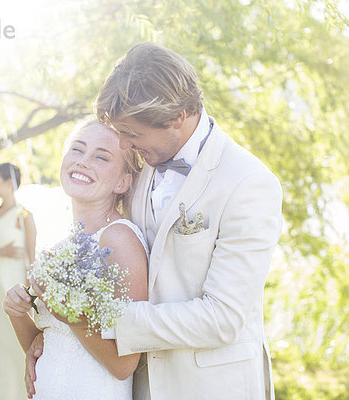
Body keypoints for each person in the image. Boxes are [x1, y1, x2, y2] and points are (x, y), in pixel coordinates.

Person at [27, 42, 283, 400]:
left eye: (132, 134)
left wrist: (87, 322)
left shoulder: (248, 183)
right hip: (137, 385)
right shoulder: (142, 168)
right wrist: (58, 334)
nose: (126, 145)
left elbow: (222, 318)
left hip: (212, 388)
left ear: (177, 117)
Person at [3, 118, 148, 400]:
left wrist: (70, 315)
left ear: (123, 181)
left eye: (101, 157)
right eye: (77, 149)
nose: (83, 161)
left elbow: (124, 364)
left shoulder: (119, 239)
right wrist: (17, 313)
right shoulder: (61, 246)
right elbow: (46, 342)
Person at [0, 162, 36, 400]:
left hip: (16, 286)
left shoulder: (24, 216)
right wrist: (0, 251)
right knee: (2, 345)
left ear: (8, 183)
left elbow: (31, 260)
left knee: (20, 345)